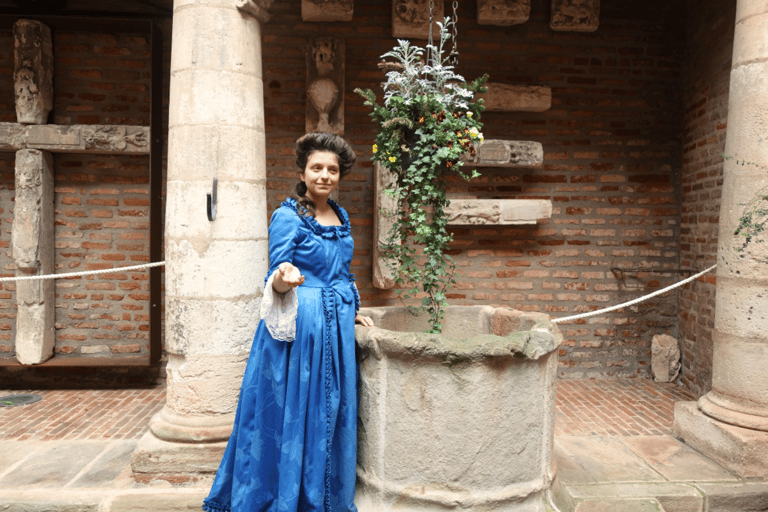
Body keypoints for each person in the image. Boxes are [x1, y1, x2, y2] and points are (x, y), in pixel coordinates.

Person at [203, 132, 373, 512]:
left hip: (335, 329)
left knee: (329, 412)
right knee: (289, 412)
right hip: (298, 333)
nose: (325, 175)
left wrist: (353, 307)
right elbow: (275, 274)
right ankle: (281, 496)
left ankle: (321, 495)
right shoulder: (288, 216)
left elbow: (343, 272)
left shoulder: (340, 216)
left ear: (339, 175)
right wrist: (286, 278)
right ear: (303, 171)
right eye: (317, 168)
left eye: (332, 169)